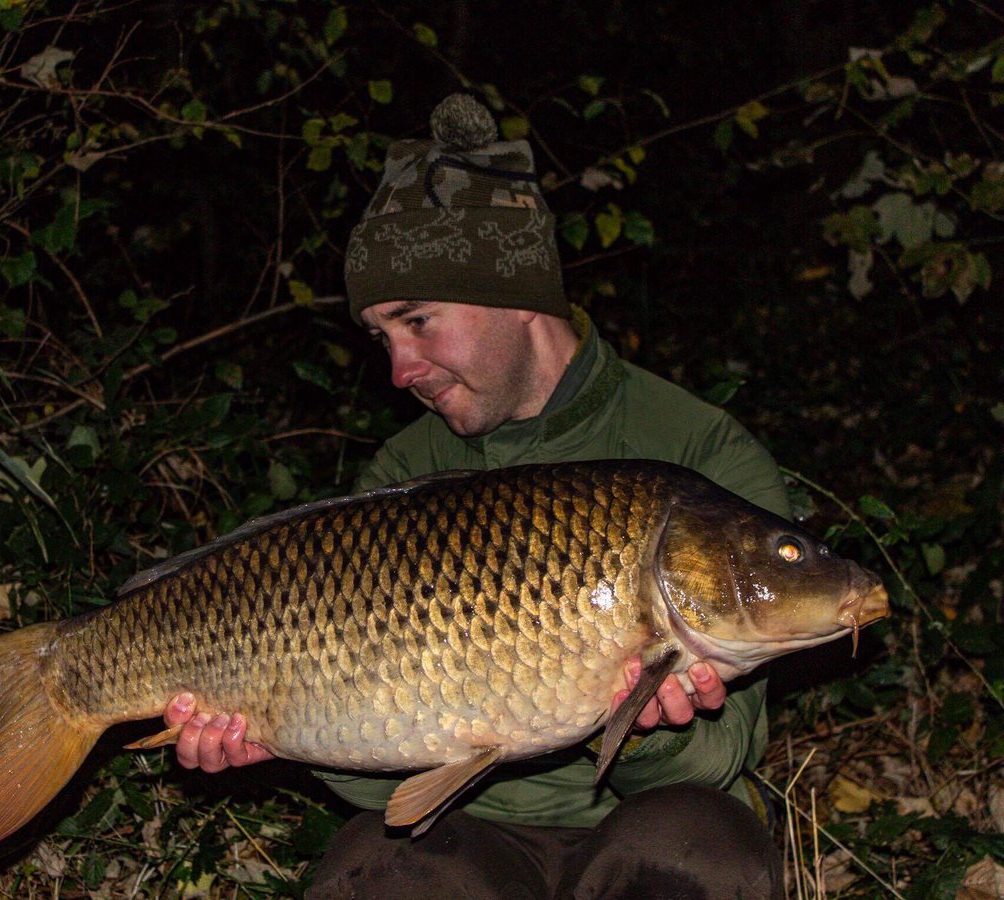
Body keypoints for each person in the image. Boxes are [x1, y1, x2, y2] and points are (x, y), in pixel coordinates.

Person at [162, 94, 789, 898]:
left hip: (641, 824)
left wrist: (641, 729)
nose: (400, 370)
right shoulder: (405, 470)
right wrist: (280, 733)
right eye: (383, 338)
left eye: (418, 321)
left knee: (701, 851)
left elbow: (718, 762)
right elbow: (383, 774)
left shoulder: (699, 453)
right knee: (371, 873)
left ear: (518, 296)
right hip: (472, 836)